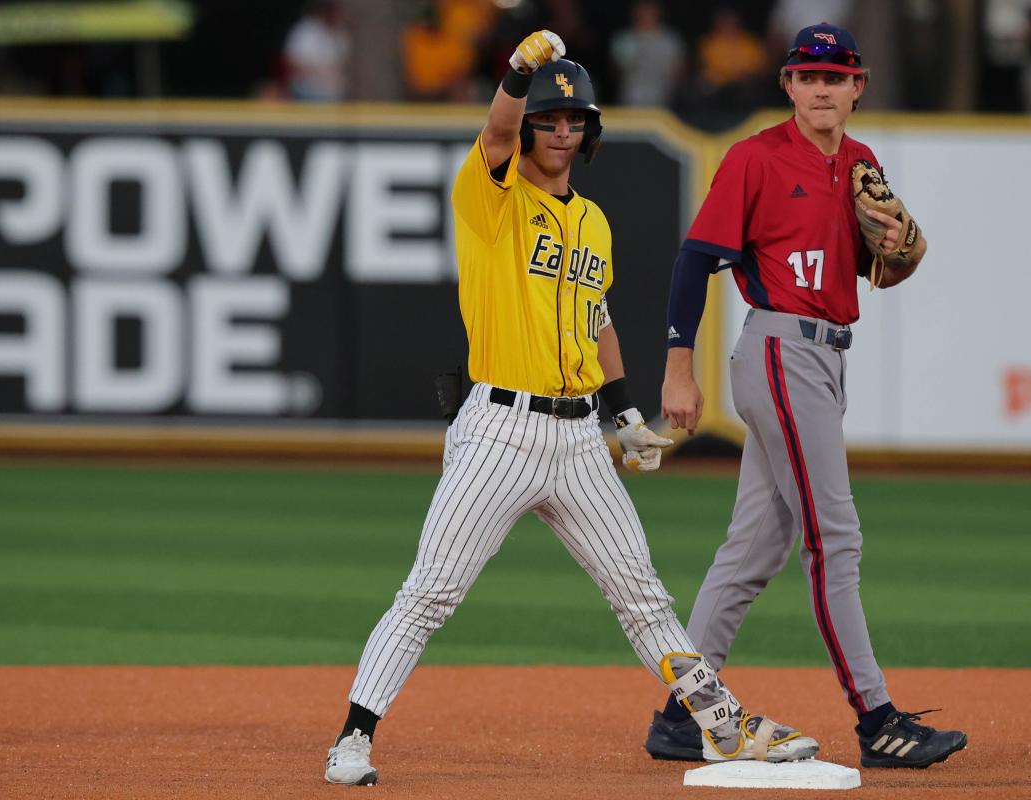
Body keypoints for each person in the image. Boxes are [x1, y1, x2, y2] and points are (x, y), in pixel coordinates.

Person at [323, 30, 821, 786]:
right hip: (499, 430)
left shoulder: (592, 221)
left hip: (578, 437)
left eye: (574, 120)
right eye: (548, 118)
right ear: (528, 124)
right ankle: (354, 738)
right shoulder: (490, 195)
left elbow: (598, 320)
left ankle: (722, 725)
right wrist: (520, 69)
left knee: (642, 593)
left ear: (589, 130)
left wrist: (623, 415)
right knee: (430, 593)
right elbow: (493, 129)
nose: (561, 130)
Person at [642, 22, 969, 770]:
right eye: (808, 75)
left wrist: (899, 251)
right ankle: (877, 718)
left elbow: (880, 266)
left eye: (836, 76)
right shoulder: (755, 158)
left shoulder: (860, 161)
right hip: (782, 352)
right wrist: (678, 368)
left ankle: (681, 713)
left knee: (755, 548)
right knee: (835, 541)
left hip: (825, 361)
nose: (821, 88)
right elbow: (695, 263)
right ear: (787, 85)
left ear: (858, 88)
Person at [609, 1, 685, 107]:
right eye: (642, 8)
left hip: (663, 102)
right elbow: (617, 72)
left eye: (649, 8)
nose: (645, 13)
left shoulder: (671, 40)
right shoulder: (624, 39)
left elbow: (679, 73)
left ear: (658, 11)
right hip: (630, 101)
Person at [282, 0, 351, 102]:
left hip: (334, 91)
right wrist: (319, 74)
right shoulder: (307, 30)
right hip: (308, 90)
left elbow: (342, 64)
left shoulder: (341, 33)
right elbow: (293, 62)